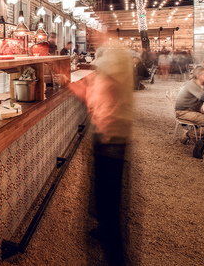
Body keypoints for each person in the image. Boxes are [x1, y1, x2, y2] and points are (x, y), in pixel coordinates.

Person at [62, 48, 133, 266]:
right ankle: (104, 230)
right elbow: (89, 96)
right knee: (101, 192)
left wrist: (72, 83)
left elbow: (94, 98)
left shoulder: (112, 80)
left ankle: (116, 258)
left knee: (108, 199)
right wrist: (70, 83)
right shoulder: (110, 78)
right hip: (107, 139)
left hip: (111, 140)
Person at [174, 66, 204, 144]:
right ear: (198, 76)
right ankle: (189, 134)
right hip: (184, 112)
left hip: (194, 110)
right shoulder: (191, 84)